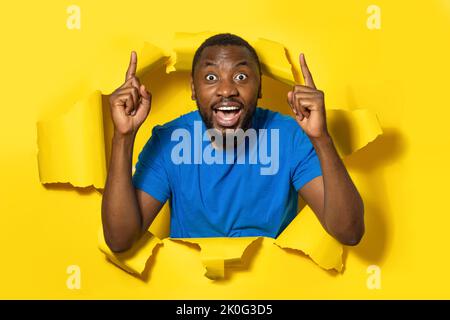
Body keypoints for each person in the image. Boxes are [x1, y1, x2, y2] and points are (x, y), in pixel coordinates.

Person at [101, 33, 364, 253]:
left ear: (259, 87)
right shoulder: (170, 141)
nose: (227, 90)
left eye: (240, 77)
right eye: (211, 78)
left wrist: (321, 139)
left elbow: (349, 232)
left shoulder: (290, 137)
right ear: (193, 89)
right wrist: (123, 137)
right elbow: (120, 240)